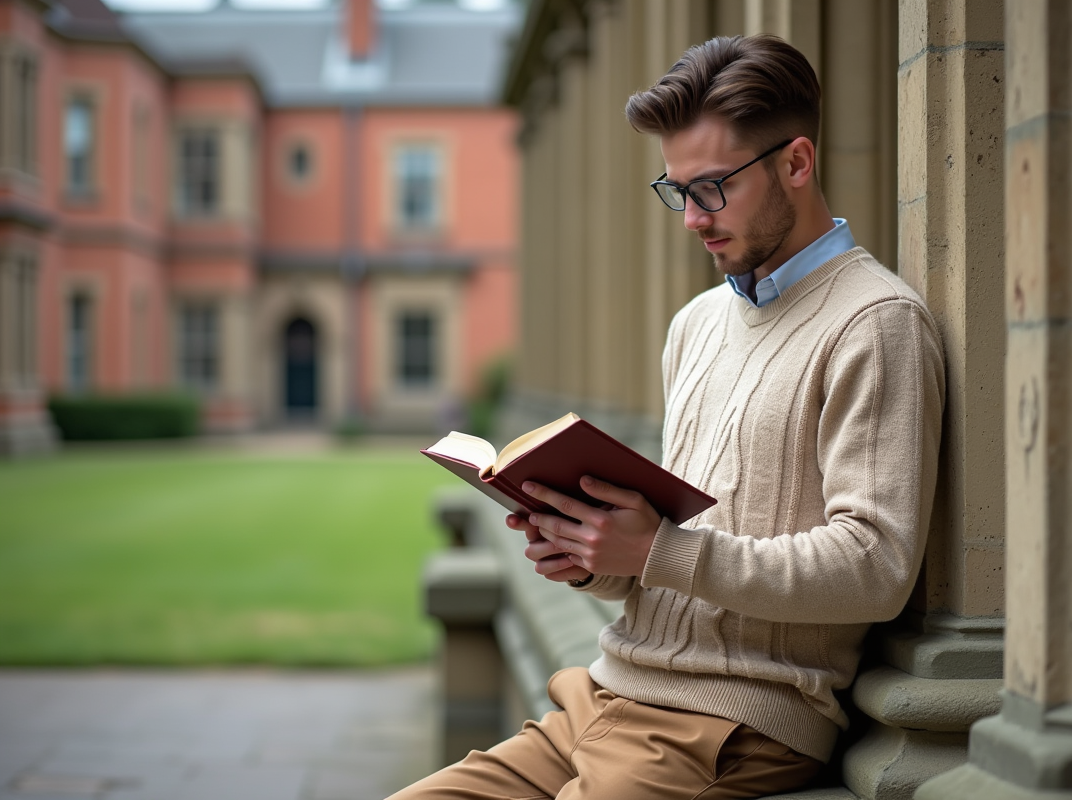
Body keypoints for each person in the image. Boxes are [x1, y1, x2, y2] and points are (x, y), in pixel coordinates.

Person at [388, 33, 945, 800]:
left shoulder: (876, 323)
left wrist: (655, 552)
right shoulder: (696, 324)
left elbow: (876, 566)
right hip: (599, 697)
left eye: (712, 188)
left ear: (796, 163)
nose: (691, 218)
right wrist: (589, 555)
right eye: (678, 190)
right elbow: (664, 553)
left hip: (730, 728)